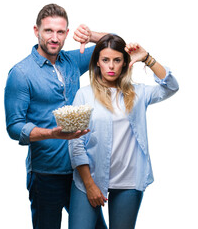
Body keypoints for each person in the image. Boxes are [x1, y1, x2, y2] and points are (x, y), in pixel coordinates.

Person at [4, 3, 108, 229]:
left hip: (79, 173)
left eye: (60, 32)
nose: (54, 37)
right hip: (45, 174)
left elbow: (116, 45)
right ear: (36, 31)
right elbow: (14, 127)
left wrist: (91, 36)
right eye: (48, 30)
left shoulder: (72, 60)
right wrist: (52, 133)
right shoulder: (21, 73)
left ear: (67, 34)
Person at [68, 34, 179, 229]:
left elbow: (171, 87)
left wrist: (147, 58)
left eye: (117, 60)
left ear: (125, 63)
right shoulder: (83, 94)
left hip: (128, 180)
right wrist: (90, 184)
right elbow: (75, 143)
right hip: (89, 177)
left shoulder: (139, 93)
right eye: (105, 60)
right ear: (97, 63)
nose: (111, 66)